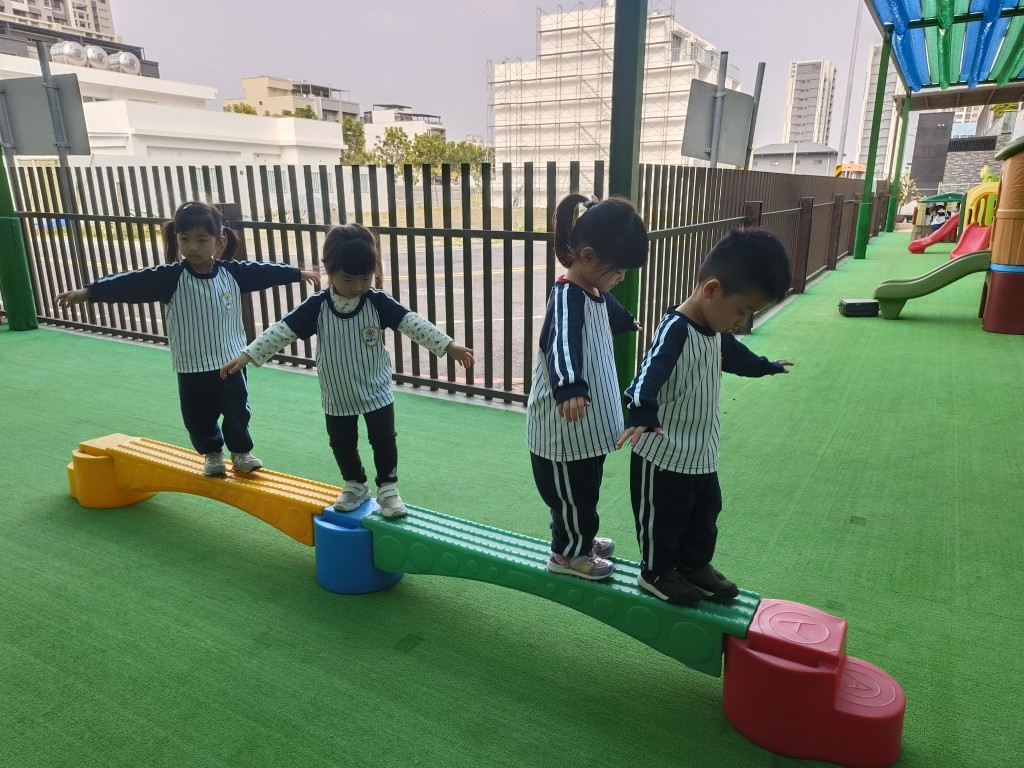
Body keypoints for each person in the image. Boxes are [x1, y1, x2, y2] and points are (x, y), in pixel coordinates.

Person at [219, 222, 474, 519]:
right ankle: (354, 484)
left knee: (383, 439)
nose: (357, 287)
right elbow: (281, 331)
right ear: (329, 269)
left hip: (376, 390)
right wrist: (247, 355)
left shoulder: (377, 302)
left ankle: (388, 488)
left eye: (365, 278)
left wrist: (449, 346)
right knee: (342, 443)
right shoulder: (317, 306)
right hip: (337, 394)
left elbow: (413, 323)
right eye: (348, 279)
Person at [56, 201, 319, 477]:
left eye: (201, 240)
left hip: (230, 361)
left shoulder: (233, 273)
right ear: (177, 238)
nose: (192, 247)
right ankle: (212, 454)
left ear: (219, 241)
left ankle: (241, 453)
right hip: (191, 364)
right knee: (197, 415)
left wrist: (296, 274)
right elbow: (131, 283)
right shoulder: (171, 278)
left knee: (237, 410)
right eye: (185, 239)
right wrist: (89, 292)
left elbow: (263, 272)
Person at [616, 228, 793, 606]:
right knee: (663, 517)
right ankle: (656, 570)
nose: (740, 322)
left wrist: (766, 366)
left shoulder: (716, 332)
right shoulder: (676, 329)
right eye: (741, 311)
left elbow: (739, 357)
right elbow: (649, 372)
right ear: (712, 289)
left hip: (701, 450)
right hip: (661, 451)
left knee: (705, 511)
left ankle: (693, 564)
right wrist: (642, 409)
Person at [526, 194, 649, 580]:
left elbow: (609, 306)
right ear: (589, 257)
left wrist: (625, 320)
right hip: (562, 430)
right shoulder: (567, 297)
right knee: (572, 496)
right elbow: (561, 343)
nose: (621, 277)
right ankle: (567, 555)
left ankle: (579, 539)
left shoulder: (594, 291)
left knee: (583, 491)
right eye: (619, 270)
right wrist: (569, 386)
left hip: (583, 428)